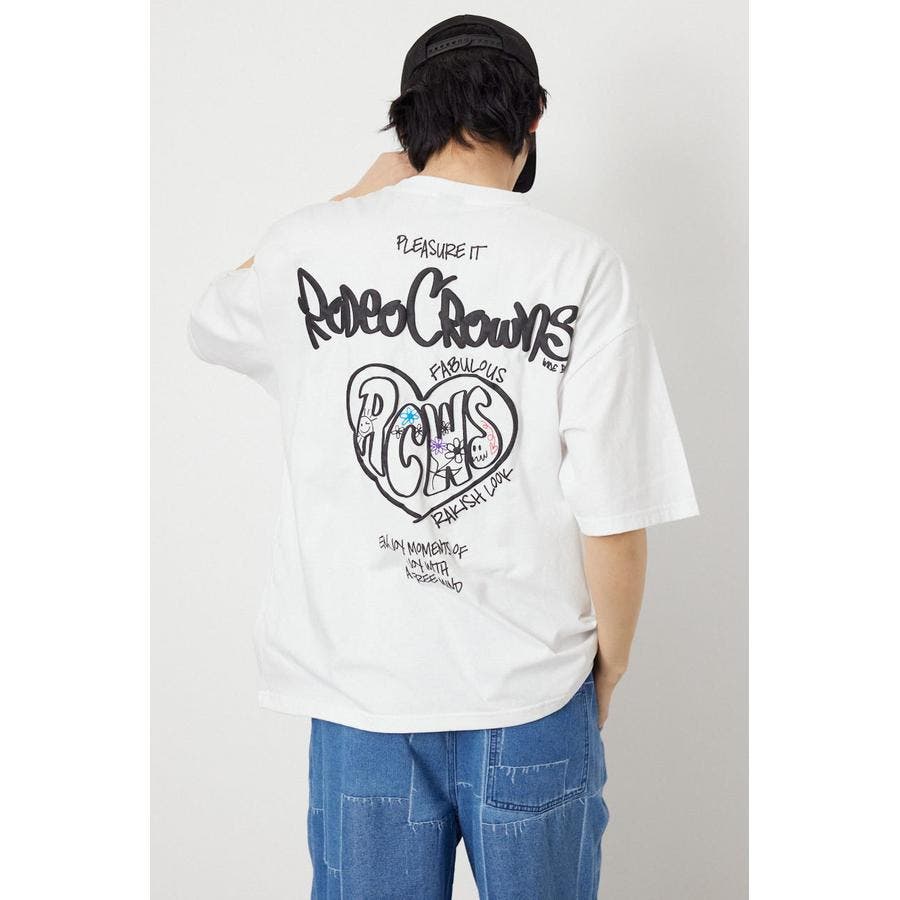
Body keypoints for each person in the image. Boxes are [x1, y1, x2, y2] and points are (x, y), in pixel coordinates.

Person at [189, 13, 698, 899]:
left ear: (408, 120)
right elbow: (613, 512)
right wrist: (608, 668)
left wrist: (353, 199)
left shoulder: (310, 246)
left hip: (362, 698)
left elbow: (210, 321)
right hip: (533, 696)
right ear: (532, 117)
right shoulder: (580, 266)